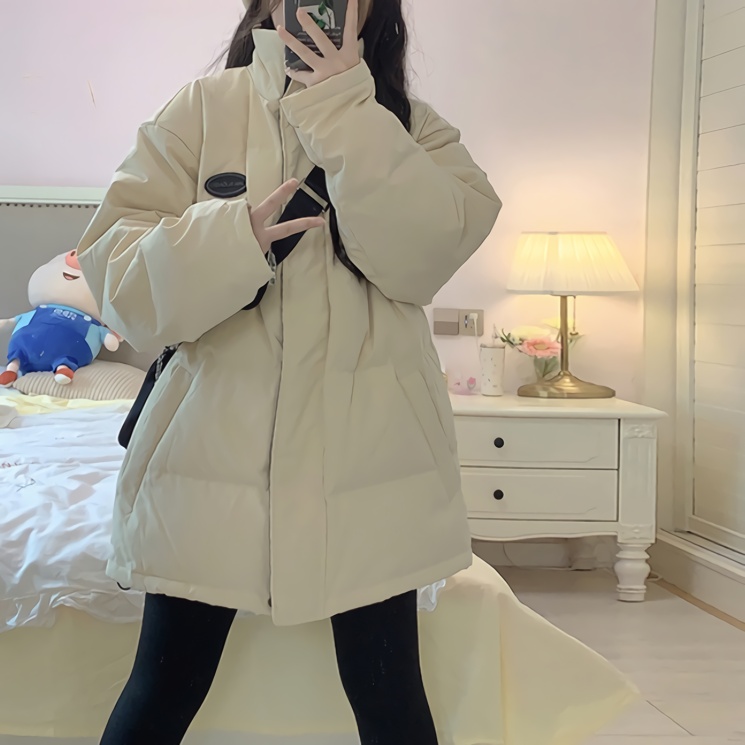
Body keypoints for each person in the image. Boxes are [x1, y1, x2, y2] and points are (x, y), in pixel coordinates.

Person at [77, 0, 501, 742]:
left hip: (374, 464)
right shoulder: (200, 111)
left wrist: (346, 110)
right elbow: (118, 278)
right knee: (163, 689)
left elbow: (425, 256)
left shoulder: (410, 126)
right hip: (208, 461)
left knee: (391, 697)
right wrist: (230, 239)